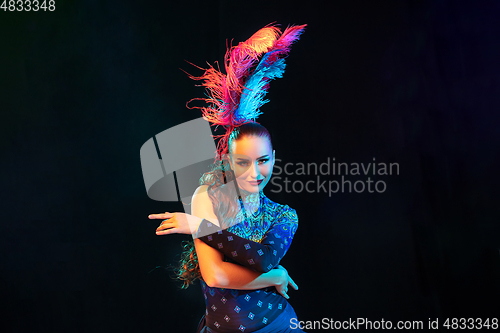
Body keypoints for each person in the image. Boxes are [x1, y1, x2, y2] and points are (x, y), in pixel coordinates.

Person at [148, 23, 306, 332]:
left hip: (278, 325)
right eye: (242, 162)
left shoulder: (284, 216)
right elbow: (215, 276)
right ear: (228, 161)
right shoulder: (207, 198)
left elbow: (263, 259)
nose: (253, 172)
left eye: (262, 161)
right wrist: (274, 277)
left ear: (273, 159)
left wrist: (198, 228)